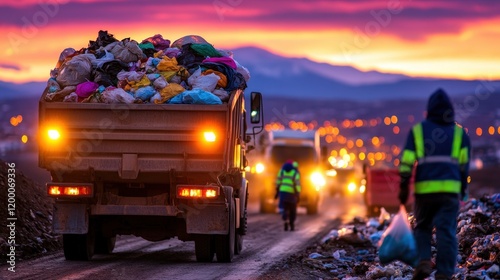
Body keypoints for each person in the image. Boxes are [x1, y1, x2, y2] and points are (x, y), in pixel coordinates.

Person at [398, 89, 471, 280]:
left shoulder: (418, 131)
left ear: (428, 110)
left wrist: (404, 185)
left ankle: (423, 260)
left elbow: (406, 160)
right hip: (449, 192)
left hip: (425, 192)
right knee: (446, 231)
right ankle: (444, 273)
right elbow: (464, 166)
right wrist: (463, 187)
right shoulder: (459, 134)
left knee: (422, 227)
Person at [275, 160, 301, 231]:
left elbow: (278, 182)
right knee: (292, 209)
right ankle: (291, 224)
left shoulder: (281, 171)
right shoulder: (295, 173)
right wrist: (298, 194)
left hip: (283, 192)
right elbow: (297, 185)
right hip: (291, 194)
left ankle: (285, 221)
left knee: (284, 208)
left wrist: (277, 192)